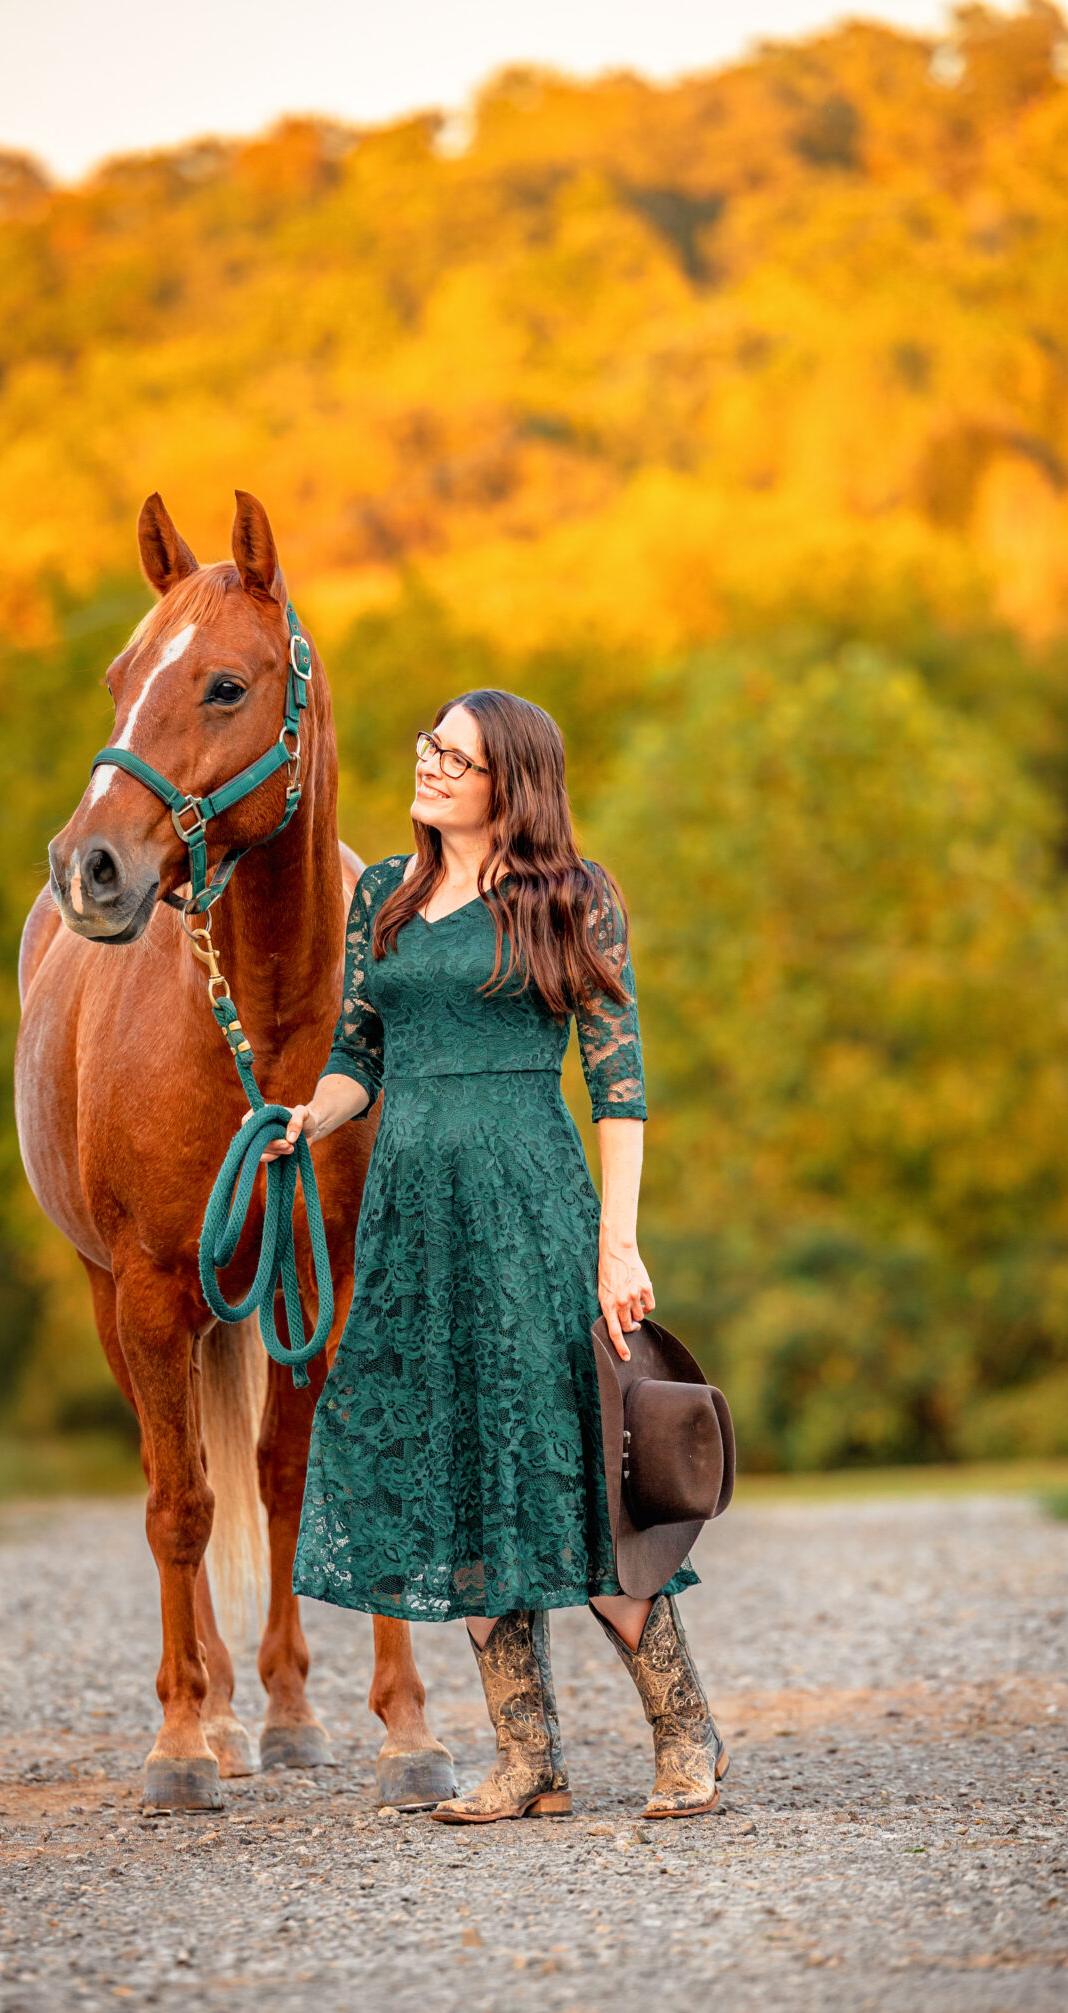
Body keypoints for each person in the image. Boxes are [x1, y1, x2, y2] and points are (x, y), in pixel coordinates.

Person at [260, 689, 726, 1822]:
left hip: (528, 1209)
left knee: (564, 1473)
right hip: (413, 1220)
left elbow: (619, 1084)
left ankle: (688, 1734)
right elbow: (357, 1053)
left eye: (453, 756)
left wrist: (618, 1244)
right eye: (425, 745)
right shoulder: (386, 893)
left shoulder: (572, 898)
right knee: (457, 1478)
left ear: (507, 780)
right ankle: (530, 1761)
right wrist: (305, 1118)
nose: (426, 766)